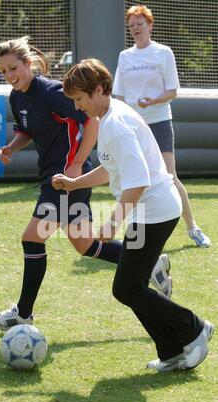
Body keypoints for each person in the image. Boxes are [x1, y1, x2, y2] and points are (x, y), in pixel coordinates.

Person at [0, 36, 170, 331]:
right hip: (55, 177)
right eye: (3, 70)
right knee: (84, 245)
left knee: (32, 238)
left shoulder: (52, 92)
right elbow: (27, 132)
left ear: (28, 63)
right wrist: (11, 147)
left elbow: (91, 121)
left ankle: (23, 313)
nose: (9, 75)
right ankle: (150, 262)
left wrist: (77, 162)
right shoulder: (17, 97)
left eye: (13, 68)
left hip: (65, 180)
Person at [51, 58, 214, 372]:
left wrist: (111, 223)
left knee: (127, 287)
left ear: (99, 89)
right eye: (74, 101)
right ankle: (172, 352)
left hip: (155, 210)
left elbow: (137, 182)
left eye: (80, 99)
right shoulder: (111, 116)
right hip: (152, 210)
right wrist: (75, 182)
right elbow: (114, 170)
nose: (78, 106)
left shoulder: (115, 124)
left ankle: (193, 327)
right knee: (131, 286)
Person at [112, 4, 210, 248]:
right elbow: (119, 96)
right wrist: (122, 118)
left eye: (139, 24)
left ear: (150, 25)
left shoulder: (163, 52)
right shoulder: (125, 56)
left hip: (159, 121)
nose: (135, 28)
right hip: (132, 126)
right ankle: (132, 235)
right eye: (131, 25)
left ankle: (193, 228)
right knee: (131, 179)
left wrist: (153, 101)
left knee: (170, 176)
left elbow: (172, 91)